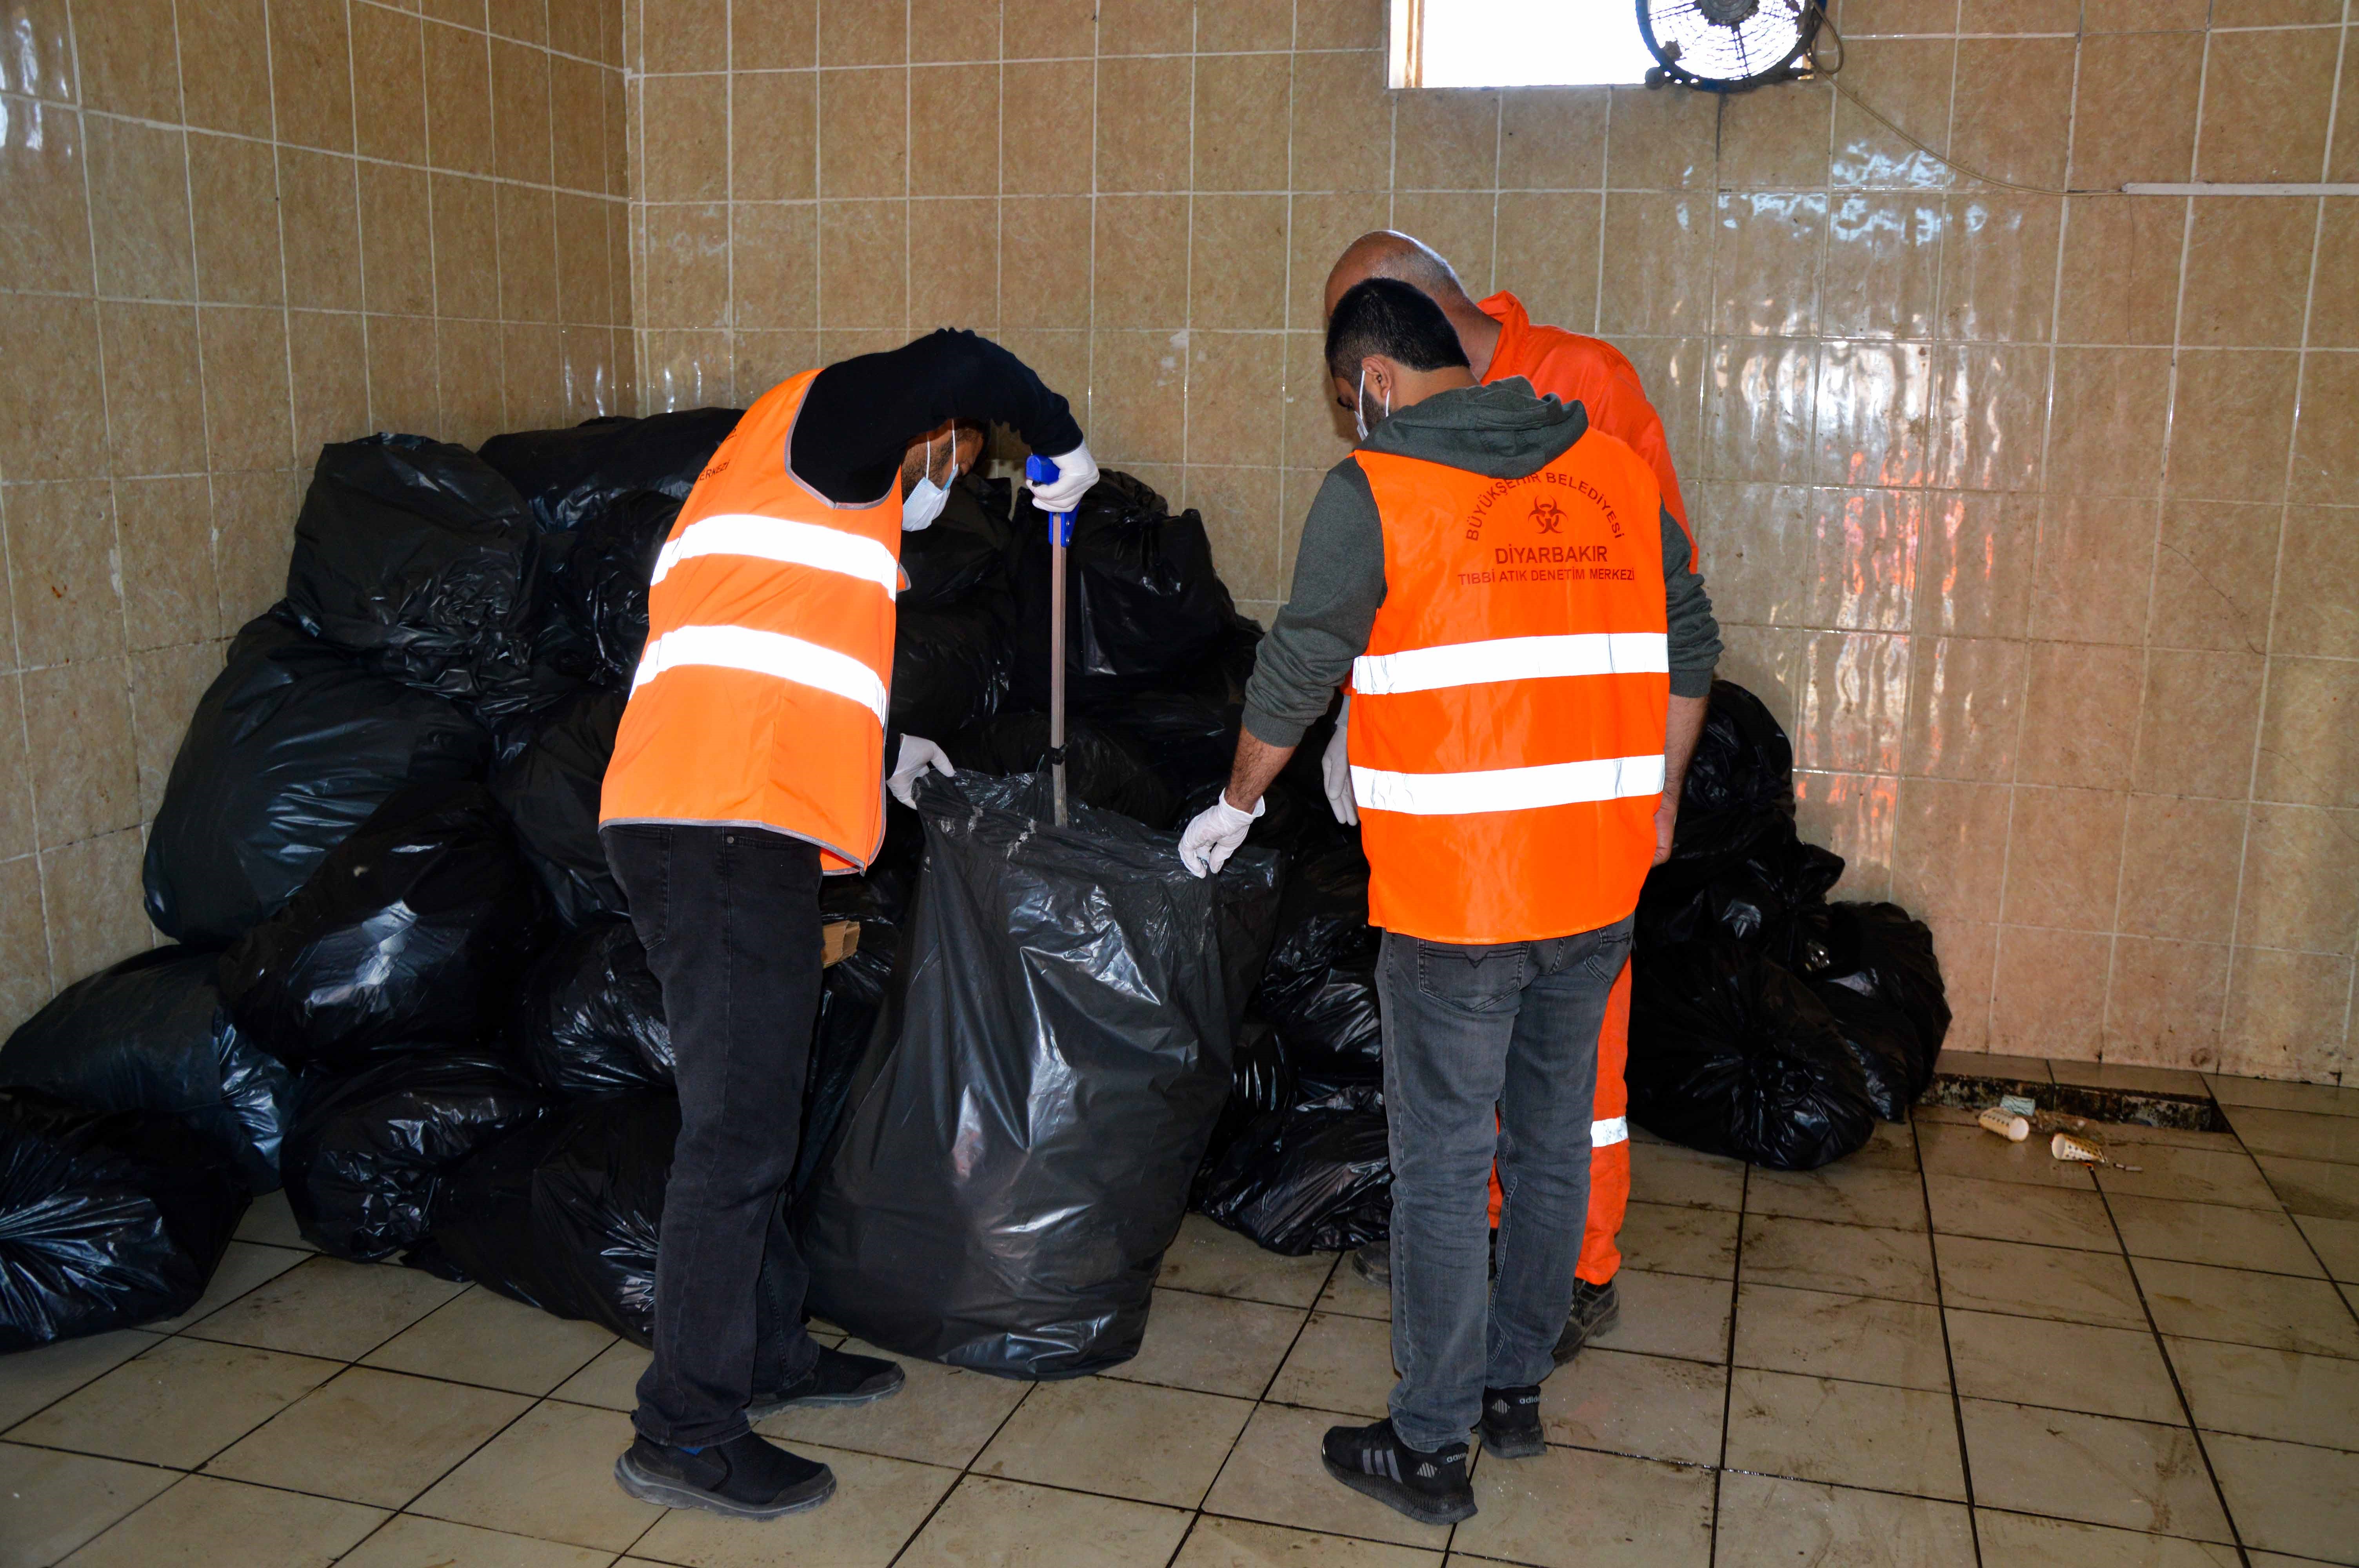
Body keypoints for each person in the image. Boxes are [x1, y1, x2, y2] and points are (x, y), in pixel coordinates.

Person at [1177, 280, 1717, 1524]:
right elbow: (1691, 640)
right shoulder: (1612, 473)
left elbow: (1301, 659)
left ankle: (1428, 1443)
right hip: (1594, 885)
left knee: (1439, 1165)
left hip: (1460, 900)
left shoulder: (1377, 487)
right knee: (1546, 1144)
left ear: (1372, 382)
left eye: (1340, 399)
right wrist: (1667, 795)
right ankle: (1514, 1390)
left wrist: (1242, 799)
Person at [598, 330, 1098, 1519]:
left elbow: (774, 656)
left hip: (727, 822)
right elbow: (961, 355)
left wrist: (879, 759)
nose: (946, 478)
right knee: (734, 1139)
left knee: (758, 1115)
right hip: (719, 831)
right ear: (914, 431)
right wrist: (1059, 439)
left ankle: (765, 1351)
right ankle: (685, 1428)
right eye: (953, 456)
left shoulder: (800, 491)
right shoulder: (826, 421)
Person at [1322, 230, 1696, 1362]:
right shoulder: (1422, 424)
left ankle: (1576, 1266)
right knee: (1471, 1056)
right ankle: (1480, 1242)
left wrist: (1662, 787)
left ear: (1389, 339)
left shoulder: (1587, 386)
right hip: (1472, 811)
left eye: (1350, 381)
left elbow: (1670, 599)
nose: (1349, 404)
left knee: (1576, 1072)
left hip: (1576, 797)